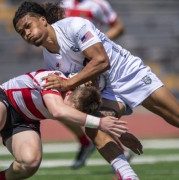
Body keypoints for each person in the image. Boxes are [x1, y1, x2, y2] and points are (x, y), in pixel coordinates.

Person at [13, 1, 179, 178]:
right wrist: (118, 131)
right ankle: (129, 176)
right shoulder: (50, 60)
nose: (27, 34)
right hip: (106, 92)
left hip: (129, 74)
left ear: (43, 20)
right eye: (22, 33)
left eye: (28, 26)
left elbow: (102, 61)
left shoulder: (74, 26)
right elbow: (87, 91)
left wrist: (69, 84)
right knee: (93, 127)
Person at [0, 69, 137, 180]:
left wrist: (122, 134)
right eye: (72, 107)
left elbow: (95, 121)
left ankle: (1, 178)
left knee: (31, 162)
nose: (72, 113)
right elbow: (59, 111)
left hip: (26, 120)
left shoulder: (76, 99)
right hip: (4, 100)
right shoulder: (54, 80)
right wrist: (100, 122)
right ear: (69, 93)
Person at [58, 0, 126, 169]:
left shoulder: (98, 4)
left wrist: (97, 42)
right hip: (69, 62)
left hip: (91, 62)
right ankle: (87, 143)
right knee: (60, 105)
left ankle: (119, 153)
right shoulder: (62, 3)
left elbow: (118, 26)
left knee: (97, 109)